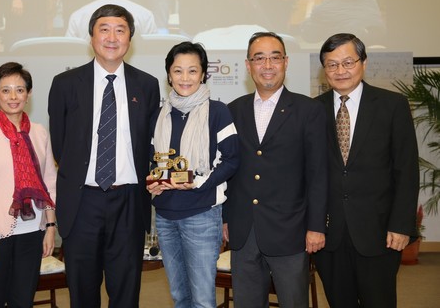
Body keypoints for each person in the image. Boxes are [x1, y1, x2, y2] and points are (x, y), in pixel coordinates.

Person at [48, 4, 160, 308]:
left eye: (120, 30)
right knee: (82, 294)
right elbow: (60, 145)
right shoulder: (65, 84)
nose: (112, 37)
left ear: (130, 40)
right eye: (104, 29)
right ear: (91, 36)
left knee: (125, 293)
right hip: (83, 202)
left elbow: (151, 144)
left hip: (128, 203)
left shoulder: (147, 85)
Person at [313, 33, 419, 308]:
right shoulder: (313, 110)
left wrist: (401, 224)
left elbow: (406, 170)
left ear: (364, 63)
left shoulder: (392, 105)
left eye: (348, 62)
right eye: (332, 64)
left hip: (379, 232)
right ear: (324, 70)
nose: (340, 71)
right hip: (329, 235)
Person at [223, 32, 328, 308]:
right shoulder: (233, 111)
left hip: (290, 232)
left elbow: (318, 174)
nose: (267, 65)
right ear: (248, 65)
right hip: (243, 231)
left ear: (286, 62)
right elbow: (228, 171)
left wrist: (316, 227)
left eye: (275, 57)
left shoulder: (309, 110)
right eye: (259, 58)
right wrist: (226, 218)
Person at [146, 41, 239, 307]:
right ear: (168, 75)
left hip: (202, 214)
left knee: (202, 299)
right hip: (164, 215)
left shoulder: (218, 112)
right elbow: (153, 161)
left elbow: (232, 160)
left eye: (192, 71)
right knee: (179, 295)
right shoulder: (159, 115)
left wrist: (197, 182)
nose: (185, 78)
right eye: (178, 71)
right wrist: (153, 181)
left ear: (203, 74)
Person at [0, 62, 57, 307]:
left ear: (28, 94)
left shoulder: (39, 133)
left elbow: (49, 182)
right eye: (5, 90)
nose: (13, 96)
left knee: (23, 301)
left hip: (32, 233)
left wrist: (49, 227)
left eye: (20, 89)